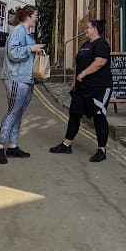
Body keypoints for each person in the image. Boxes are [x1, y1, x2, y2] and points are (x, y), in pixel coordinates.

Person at [49, 18, 112, 163]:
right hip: (82, 87)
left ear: (95, 29)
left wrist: (83, 74)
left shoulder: (101, 44)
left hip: (99, 88)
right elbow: (79, 64)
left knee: (99, 116)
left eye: (88, 28)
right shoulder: (85, 45)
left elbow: (100, 62)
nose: (86, 30)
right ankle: (66, 144)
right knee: (74, 114)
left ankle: (101, 150)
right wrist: (74, 81)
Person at [0, 5, 45, 164]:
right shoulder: (18, 30)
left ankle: (13, 146)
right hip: (16, 77)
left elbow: (24, 52)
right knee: (13, 111)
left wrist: (35, 50)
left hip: (26, 78)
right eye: (35, 15)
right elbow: (13, 53)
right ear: (28, 16)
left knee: (18, 113)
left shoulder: (26, 32)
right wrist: (31, 48)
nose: (37, 18)